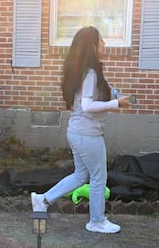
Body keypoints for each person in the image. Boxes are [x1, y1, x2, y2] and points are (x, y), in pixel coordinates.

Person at [31, 26, 131, 233]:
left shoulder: (84, 72)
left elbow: (91, 99)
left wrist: (114, 96)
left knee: (80, 175)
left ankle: (42, 199)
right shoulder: (90, 73)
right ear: (93, 47)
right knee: (98, 178)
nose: (105, 44)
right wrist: (116, 104)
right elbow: (87, 105)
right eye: (101, 41)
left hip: (77, 132)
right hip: (87, 134)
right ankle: (96, 221)